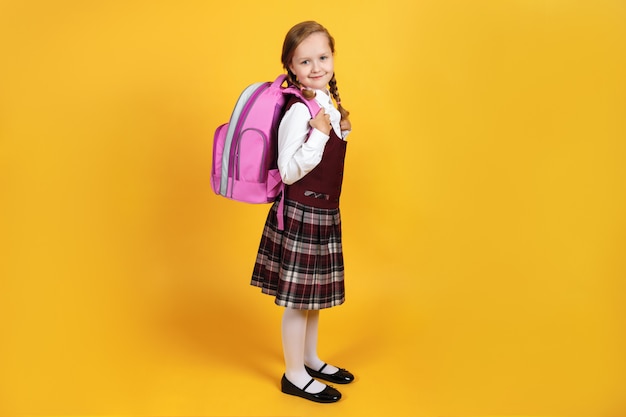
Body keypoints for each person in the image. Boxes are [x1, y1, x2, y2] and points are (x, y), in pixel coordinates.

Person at [250, 21, 354, 403]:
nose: (316, 67)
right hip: (301, 212)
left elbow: (326, 156)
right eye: (305, 61)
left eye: (322, 57)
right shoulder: (298, 110)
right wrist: (322, 134)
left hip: (324, 211)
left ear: (332, 58)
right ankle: (293, 374)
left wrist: (340, 128)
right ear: (290, 66)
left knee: (314, 297)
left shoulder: (325, 102)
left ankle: (309, 358)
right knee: (297, 300)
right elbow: (289, 170)